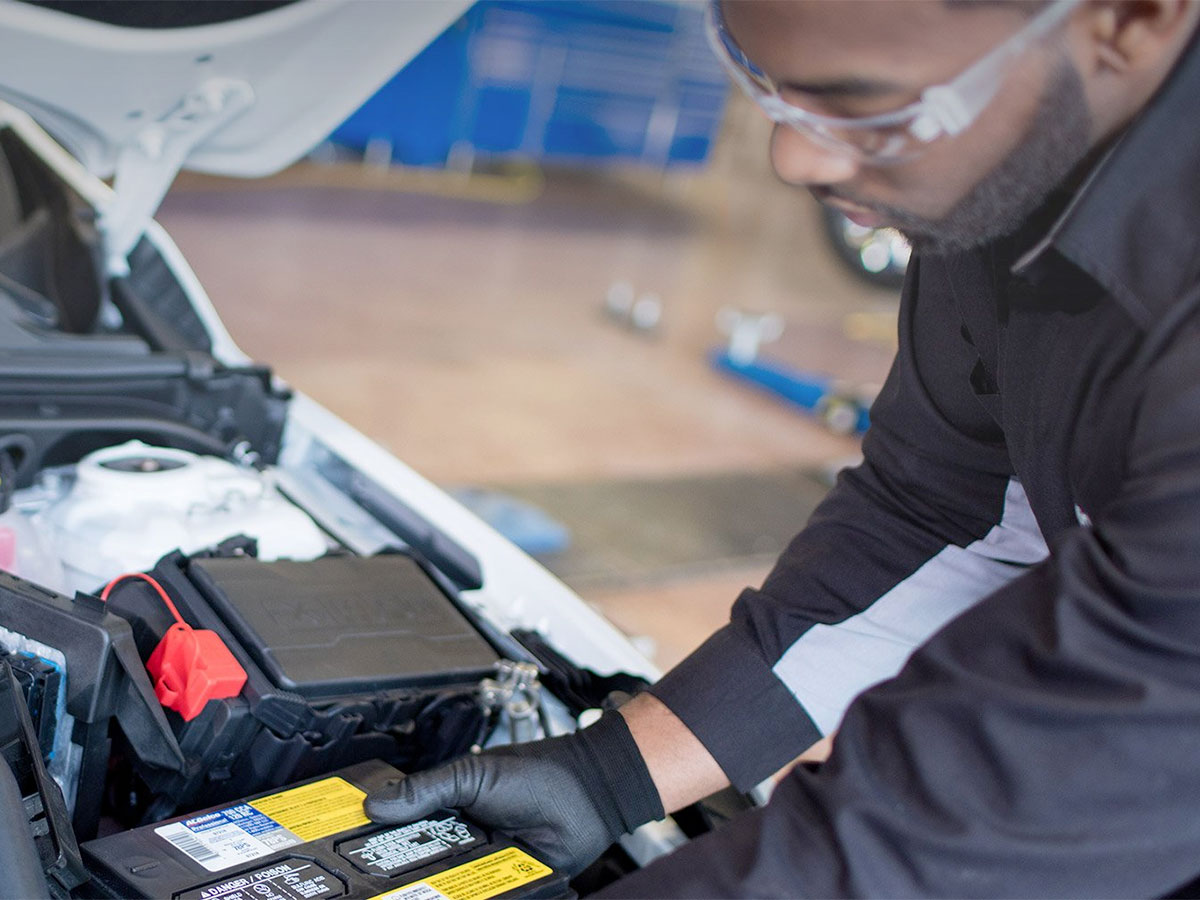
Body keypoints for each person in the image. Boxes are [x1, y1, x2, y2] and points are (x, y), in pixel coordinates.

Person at [365, 0, 1200, 895]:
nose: (793, 157)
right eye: (767, 83)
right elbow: (941, 513)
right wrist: (606, 775)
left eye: (868, 106)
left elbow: (1037, 784)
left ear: (1131, 18)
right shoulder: (1003, 182)